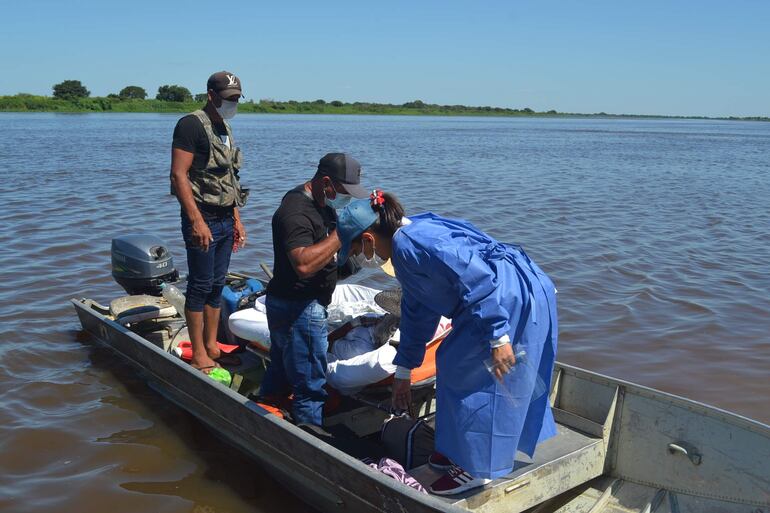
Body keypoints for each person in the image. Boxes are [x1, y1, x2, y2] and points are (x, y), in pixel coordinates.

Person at [336, 191, 558, 495]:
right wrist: (404, 371)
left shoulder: (411, 244)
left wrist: (498, 335)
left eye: (357, 249)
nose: (360, 257)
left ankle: (476, 467)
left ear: (369, 239)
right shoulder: (411, 235)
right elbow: (417, 311)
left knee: (463, 368)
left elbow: (475, 278)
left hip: (505, 297)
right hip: (516, 289)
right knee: (483, 365)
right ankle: (467, 450)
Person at [259, 153, 368, 426]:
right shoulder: (295, 211)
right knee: (310, 382)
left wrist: (354, 257)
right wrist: (341, 233)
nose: (348, 199)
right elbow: (304, 265)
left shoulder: (324, 207)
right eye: (345, 191)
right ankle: (309, 436)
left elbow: (327, 260)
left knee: (283, 367)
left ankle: (267, 412)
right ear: (326, 182)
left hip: (294, 301)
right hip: (299, 307)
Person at [169, 71, 249, 373]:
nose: (233, 103)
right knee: (200, 285)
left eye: (237, 98)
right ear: (211, 95)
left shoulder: (224, 127)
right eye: (229, 98)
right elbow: (179, 176)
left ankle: (213, 344)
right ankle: (199, 351)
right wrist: (197, 222)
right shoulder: (190, 125)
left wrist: (237, 218)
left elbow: (229, 178)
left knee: (217, 285)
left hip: (225, 217)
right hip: (202, 218)